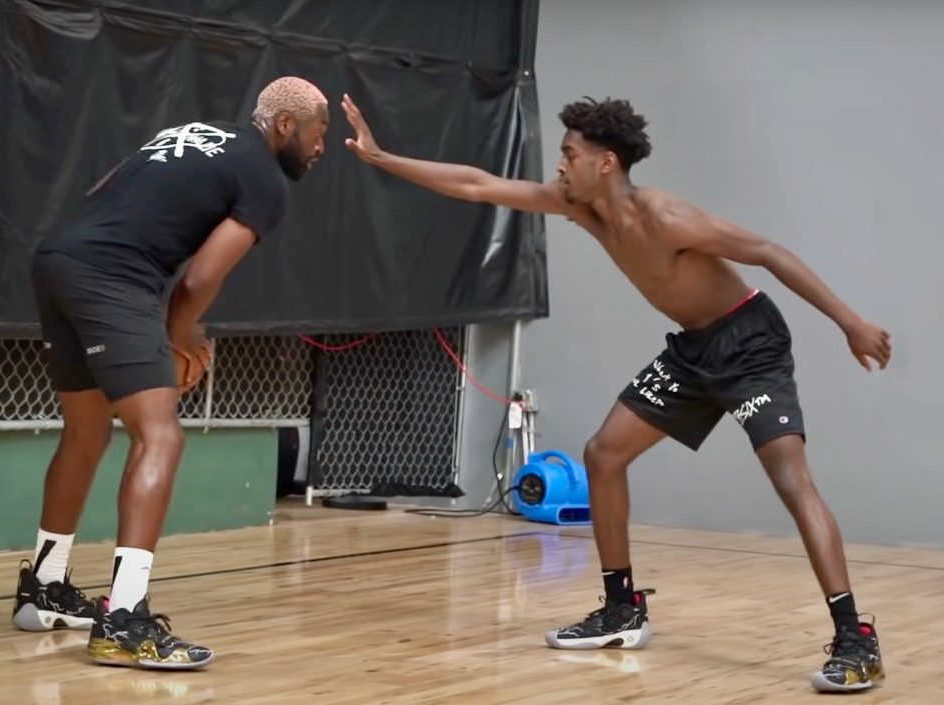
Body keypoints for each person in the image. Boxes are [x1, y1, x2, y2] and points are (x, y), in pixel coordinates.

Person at [341, 93, 890, 692]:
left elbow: (767, 252)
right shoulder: (579, 206)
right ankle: (622, 608)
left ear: (605, 163)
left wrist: (850, 323)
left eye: (570, 154)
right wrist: (381, 158)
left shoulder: (666, 216)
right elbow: (477, 185)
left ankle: (855, 639)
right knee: (604, 455)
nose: (559, 166)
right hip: (693, 349)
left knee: (789, 479)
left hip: (748, 344)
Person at [10, 76, 330, 670]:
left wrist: (172, 335)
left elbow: (103, 190)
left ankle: (45, 587)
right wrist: (179, 339)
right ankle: (123, 619)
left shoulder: (190, 134)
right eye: (320, 130)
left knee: (87, 431)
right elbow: (199, 280)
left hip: (57, 259)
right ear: (286, 125)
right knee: (160, 435)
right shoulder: (264, 178)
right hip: (112, 274)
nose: (322, 144)